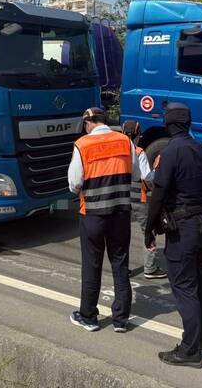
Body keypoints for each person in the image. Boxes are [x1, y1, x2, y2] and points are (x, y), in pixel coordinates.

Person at [145, 102, 202, 368]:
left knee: (184, 287)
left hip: (184, 228)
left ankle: (190, 350)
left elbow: (158, 195)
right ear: (188, 123)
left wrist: (149, 229)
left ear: (169, 124)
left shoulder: (170, 153)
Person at [68, 107, 140, 333]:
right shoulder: (125, 141)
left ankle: (88, 316)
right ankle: (121, 320)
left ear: (88, 123)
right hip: (120, 213)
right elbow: (137, 174)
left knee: (92, 264)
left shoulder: (82, 144)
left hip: (93, 214)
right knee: (120, 264)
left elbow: (74, 183)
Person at [121, 120, 166, 280]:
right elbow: (147, 178)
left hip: (120, 197)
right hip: (138, 198)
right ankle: (150, 268)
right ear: (138, 134)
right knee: (148, 231)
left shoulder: (117, 149)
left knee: (121, 233)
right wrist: (156, 170)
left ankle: (122, 268)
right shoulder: (139, 152)